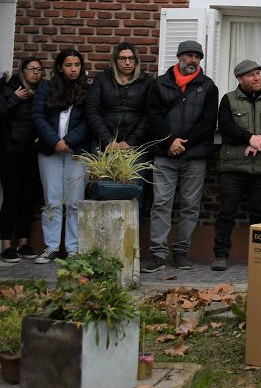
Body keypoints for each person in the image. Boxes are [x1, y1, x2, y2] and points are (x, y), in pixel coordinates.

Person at [141, 40, 218, 273]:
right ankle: (157, 254)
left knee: (190, 206)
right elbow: (152, 116)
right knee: (161, 204)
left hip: (194, 156)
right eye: (189, 56)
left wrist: (184, 144)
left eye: (197, 57)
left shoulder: (208, 86)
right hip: (165, 155)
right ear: (179, 57)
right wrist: (169, 141)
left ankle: (181, 252)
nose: (193, 60)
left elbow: (207, 122)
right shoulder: (159, 84)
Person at [212, 60, 261, 271]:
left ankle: (259, 256)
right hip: (233, 168)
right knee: (226, 212)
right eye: (251, 75)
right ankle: (221, 255)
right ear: (240, 79)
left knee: (260, 213)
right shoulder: (228, 100)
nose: (257, 78)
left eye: (258, 74)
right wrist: (249, 138)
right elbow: (226, 127)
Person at [32, 49, 91, 264]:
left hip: (77, 153)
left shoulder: (87, 90)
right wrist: (54, 141)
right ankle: (52, 246)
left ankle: (73, 248)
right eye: (68, 65)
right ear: (59, 67)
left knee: (76, 201)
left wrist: (68, 141)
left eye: (77, 64)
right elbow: (37, 116)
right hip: (49, 152)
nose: (73, 69)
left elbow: (89, 121)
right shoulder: (46, 89)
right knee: (52, 200)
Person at [84, 42, 153, 215]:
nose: (127, 62)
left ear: (136, 61)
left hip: (135, 148)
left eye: (131, 58)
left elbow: (149, 115)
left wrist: (130, 142)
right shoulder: (102, 79)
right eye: (123, 58)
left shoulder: (146, 82)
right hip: (104, 146)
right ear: (115, 60)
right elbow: (92, 110)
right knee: (101, 191)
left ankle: (130, 239)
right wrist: (108, 141)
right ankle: (101, 239)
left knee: (134, 192)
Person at [0, 58, 43, 262]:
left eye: (39, 70)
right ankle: (6, 244)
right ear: (22, 70)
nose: (35, 73)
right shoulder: (10, 89)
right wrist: (14, 99)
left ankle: (24, 243)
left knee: (28, 198)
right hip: (10, 151)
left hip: (31, 151)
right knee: (11, 198)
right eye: (31, 69)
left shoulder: (41, 92)